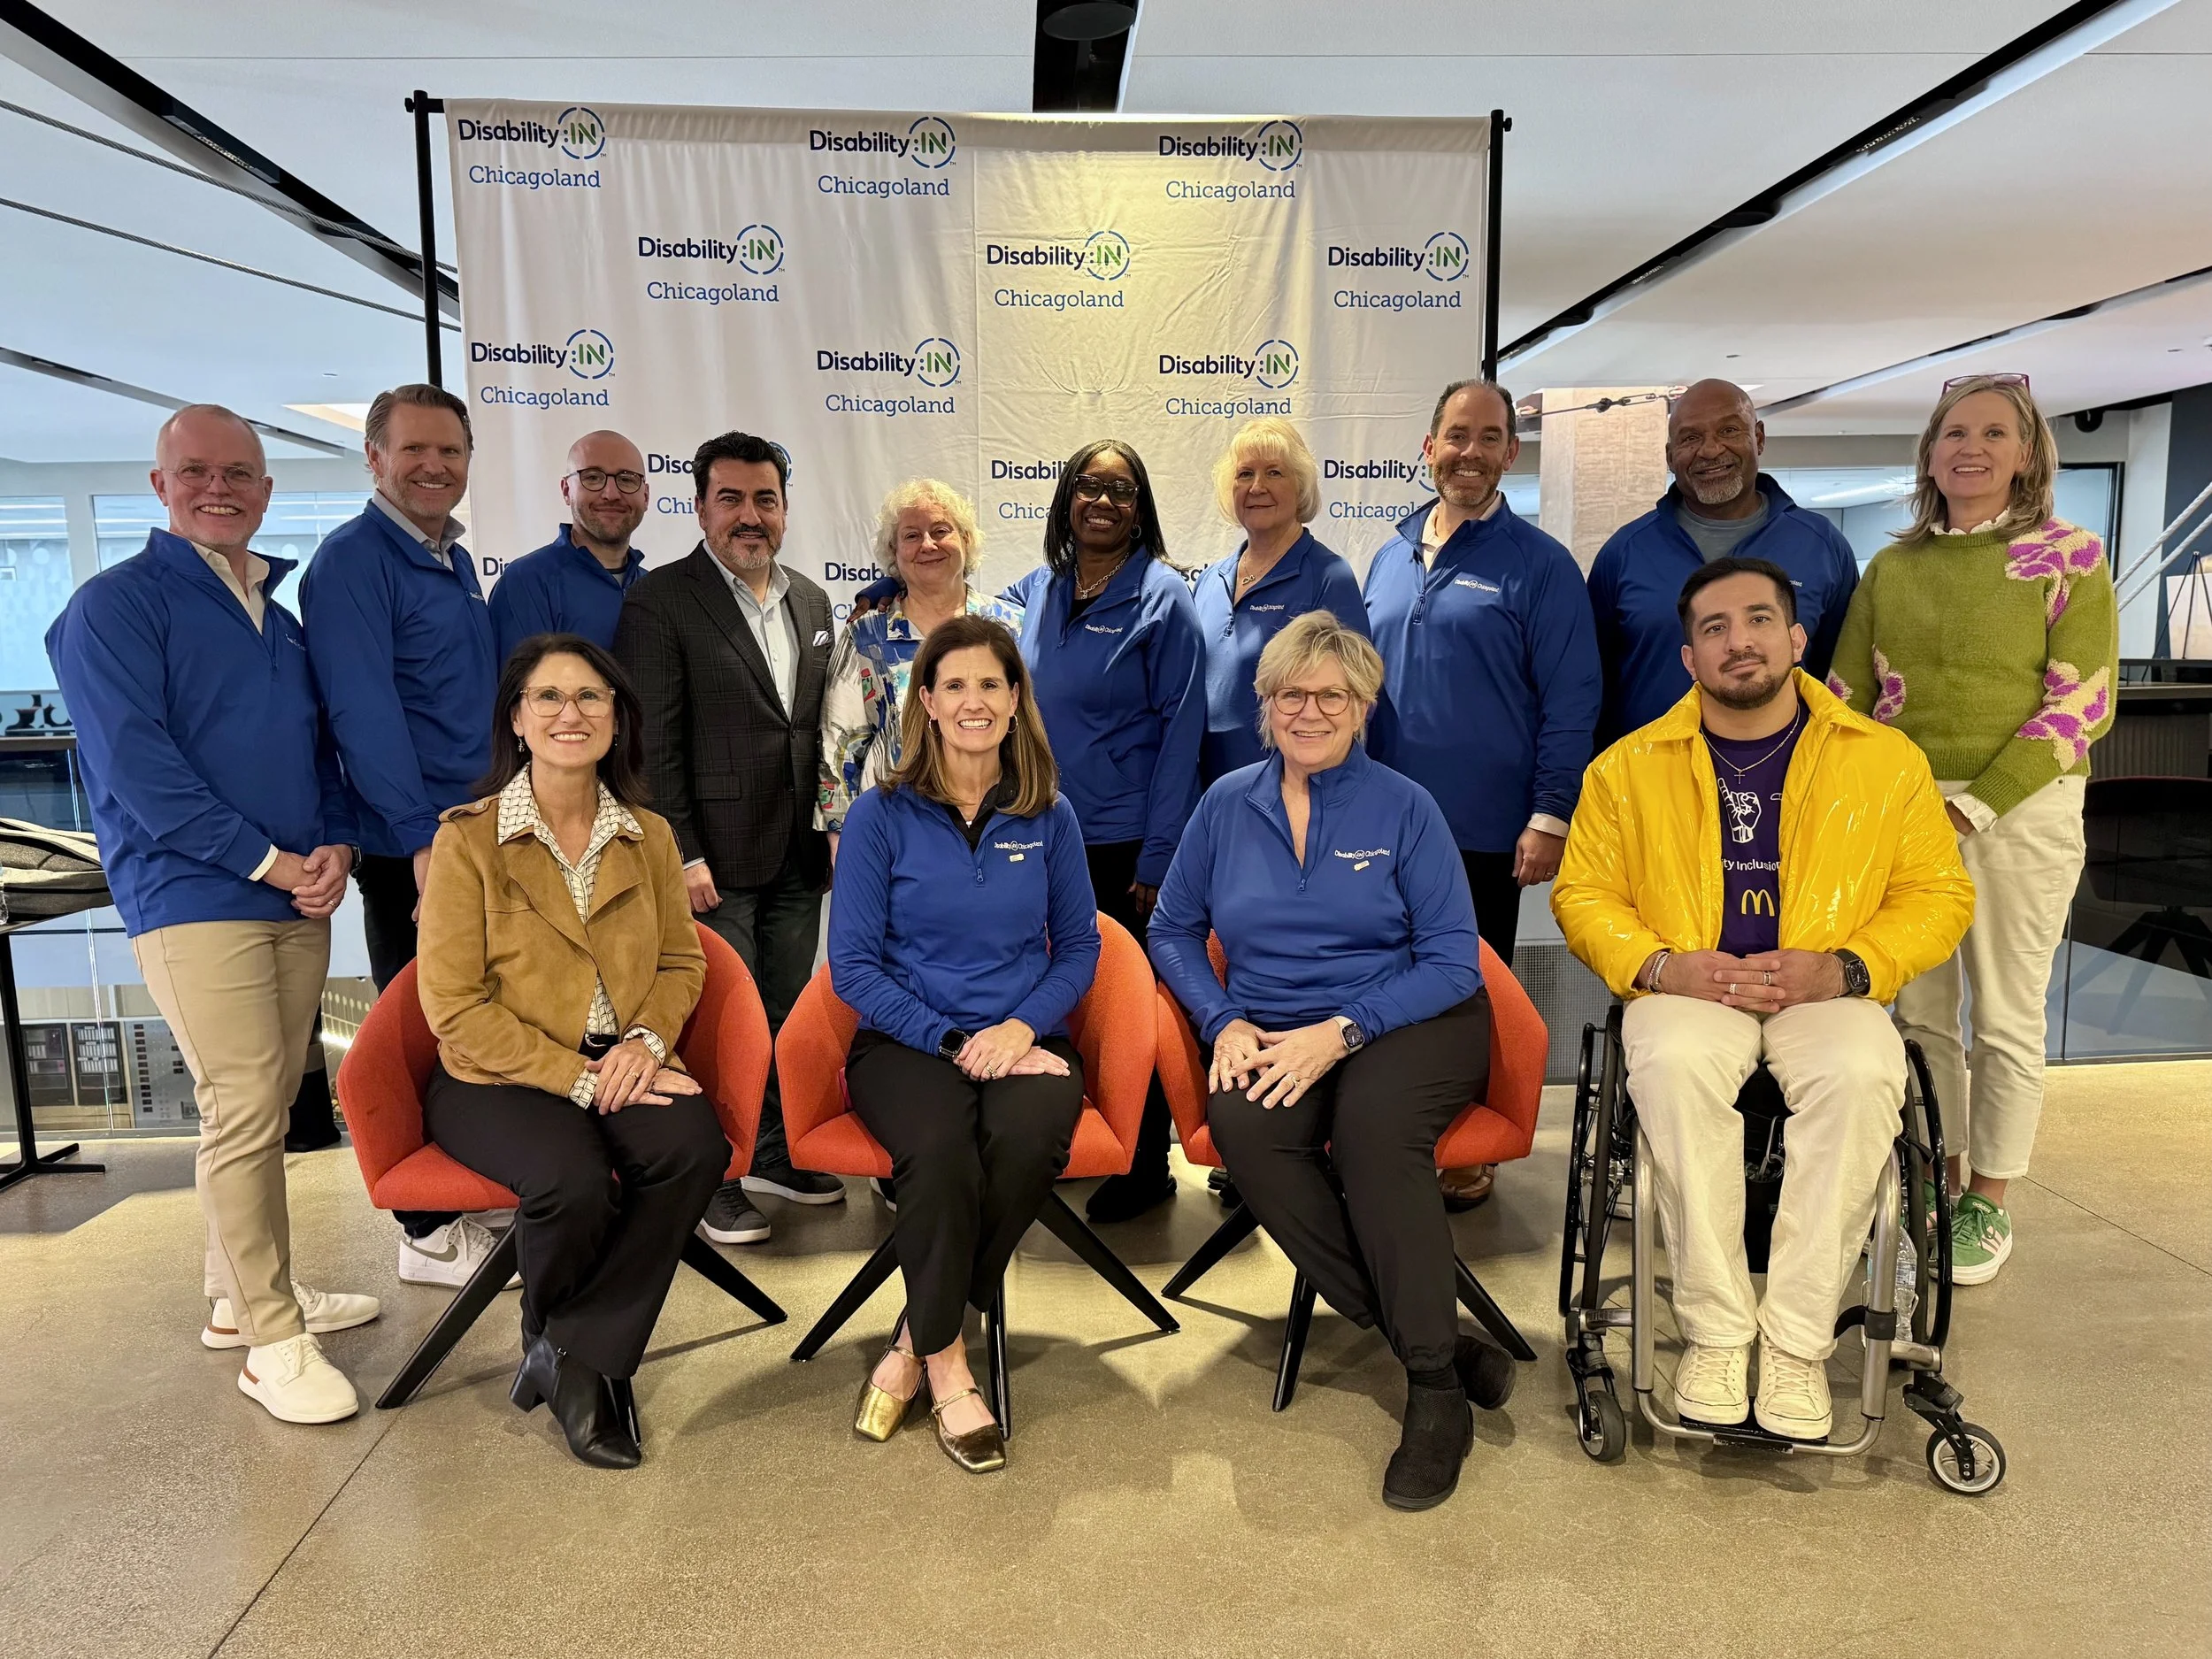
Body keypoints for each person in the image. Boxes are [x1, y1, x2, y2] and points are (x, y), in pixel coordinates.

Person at [1552, 557, 1972, 1441]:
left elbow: (1939, 894)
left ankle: (1791, 1344)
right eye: (1713, 628)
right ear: (1688, 657)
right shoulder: (1627, 769)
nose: (1736, 641)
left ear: (1794, 639)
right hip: (1689, 981)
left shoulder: (1884, 761)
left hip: (1821, 982)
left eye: (1755, 621)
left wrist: (1851, 967)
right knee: (1664, 1060)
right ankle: (1713, 1330)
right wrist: (1663, 965)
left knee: (1867, 1073)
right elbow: (1583, 894)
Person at [47, 405, 379, 1425]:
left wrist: (335, 847)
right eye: (195, 471)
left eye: (240, 472)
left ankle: (237, 1295)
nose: (218, 487)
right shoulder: (114, 608)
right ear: (160, 486)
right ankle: (273, 1338)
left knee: (270, 1103)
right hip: (194, 896)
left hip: (294, 888)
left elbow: (321, 751)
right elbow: (140, 771)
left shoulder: (277, 617)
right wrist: (272, 862)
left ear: (267, 490)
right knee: (240, 1105)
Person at [1150, 611, 1509, 1511]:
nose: (1310, 711)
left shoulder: (1404, 807)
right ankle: (1429, 1337)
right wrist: (1221, 1018)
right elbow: (1172, 928)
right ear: (1265, 704)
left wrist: (1343, 1031)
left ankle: (1433, 1391)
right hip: (1271, 1027)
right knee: (1244, 1127)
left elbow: (1451, 961)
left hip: (1412, 1021)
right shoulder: (1226, 804)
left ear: (1363, 707)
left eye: (1332, 696)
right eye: (1290, 693)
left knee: (1372, 1127)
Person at [1828, 374, 2117, 1286]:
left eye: (1994, 433)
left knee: (2001, 1012)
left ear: (2026, 452)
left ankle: (1987, 1198)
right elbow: (1845, 703)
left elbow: (2081, 706)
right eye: (1954, 432)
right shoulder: (1891, 568)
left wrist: (1974, 804)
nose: (1970, 448)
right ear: (1929, 452)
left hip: (2022, 811)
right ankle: (1933, 1179)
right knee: (1916, 1013)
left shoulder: (2069, 556)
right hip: (1906, 816)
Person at [417, 634, 726, 1468]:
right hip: (497, 1076)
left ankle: (572, 1347)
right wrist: (582, 1079)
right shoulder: (468, 839)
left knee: (695, 1144)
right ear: (517, 719)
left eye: (591, 697)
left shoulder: (650, 835)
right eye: (548, 697)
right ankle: (581, 1373)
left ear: (616, 718)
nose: (570, 713)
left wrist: (647, 1041)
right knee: (571, 1179)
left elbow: (679, 960)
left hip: (622, 1057)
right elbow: (452, 1006)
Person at [830, 616, 1100, 1474]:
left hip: (1026, 1042)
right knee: (941, 1150)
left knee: (1024, 1136)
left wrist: (1018, 1030)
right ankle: (949, 1366)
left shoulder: (1048, 815)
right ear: (927, 702)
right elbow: (853, 967)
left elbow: (1081, 947)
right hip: (907, 1045)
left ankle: (917, 1334)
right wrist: (953, 1040)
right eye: (955, 686)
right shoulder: (880, 816)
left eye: (991, 684)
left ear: (1015, 699)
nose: (973, 701)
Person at [1363, 378, 1601, 1211]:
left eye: (1490, 436)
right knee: (1385, 982)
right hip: (1383, 828)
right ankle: (1392, 1133)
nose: (1471, 451)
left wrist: (1547, 815)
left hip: (1484, 828)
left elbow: (1573, 699)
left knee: (1469, 991)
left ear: (1511, 451)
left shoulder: (1540, 565)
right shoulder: (1390, 557)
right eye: (1456, 435)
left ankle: (1469, 1141)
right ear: (1428, 448)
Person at [297, 383, 510, 1292]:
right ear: (374, 457)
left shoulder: (448, 557)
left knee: (476, 1021)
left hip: (470, 832)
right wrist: (424, 839)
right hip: (411, 846)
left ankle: (468, 1188)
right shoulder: (352, 562)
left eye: (450, 452)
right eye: (414, 451)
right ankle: (424, 1229)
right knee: (417, 1028)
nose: (435, 467)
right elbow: (363, 714)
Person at [614, 430, 845, 1246]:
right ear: (702, 507)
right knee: (719, 1020)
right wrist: (679, 851)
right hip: (710, 858)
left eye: (765, 500)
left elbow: (819, 733)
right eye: (732, 499)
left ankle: (775, 1153)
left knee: (783, 1011)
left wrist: (830, 829)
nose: (750, 517)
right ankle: (715, 1175)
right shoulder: (661, 601)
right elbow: (649, 744)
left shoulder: (813, 602)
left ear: (784, 509)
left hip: (794, 852)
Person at [1005, 438, 1203, 1224]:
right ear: (1066, 498)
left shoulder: (1164, 598)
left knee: (1130, 1005)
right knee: (1058, 996)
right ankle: (1067, 1137)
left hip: (1127, 846)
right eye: (1088, 486)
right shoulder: (1048, 588)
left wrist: (1160, 854)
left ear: (1140, 508)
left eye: (1121, 491)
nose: (1102, 501)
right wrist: (887, 587)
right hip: (1041, 834)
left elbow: (1184, 732)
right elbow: (958, 598)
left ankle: (1145, 1159)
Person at [1586, 380, 1859, 743]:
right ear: (1670, 456)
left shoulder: (1821, 546)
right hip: (1649, 779)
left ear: (1758, 438)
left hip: (1790, 776)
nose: (1711, 450)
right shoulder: (1624, 553)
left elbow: (1843, 679)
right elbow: (1590, 683)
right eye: (1690, 438)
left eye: (1729, 430)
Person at [818, 478, 1024, 843]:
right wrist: (841, 837)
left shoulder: (1010, 627)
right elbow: (840, 744)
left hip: (1003, 825)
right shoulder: (866, 637)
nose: (928, 545)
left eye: (940, 531)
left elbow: (1030, 729)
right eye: (912, 536)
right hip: (894, 836)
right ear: (893, 553)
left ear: (966, 540)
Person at [1192, 418, 1370, 785]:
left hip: (1293, 792)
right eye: (1245, 474)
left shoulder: (1328, 577)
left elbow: (1353, 702)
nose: (1257, 487)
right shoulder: (1211, 580)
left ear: (1301, 487)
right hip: (1212, 792)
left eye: (1274, 473)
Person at [488, 430, 651, 660]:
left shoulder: (653, 588)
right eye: (593, 477)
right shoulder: (526, 583)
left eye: (626, 479)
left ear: (645, 496)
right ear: (566, 491)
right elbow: (521, 692)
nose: (611, 494)